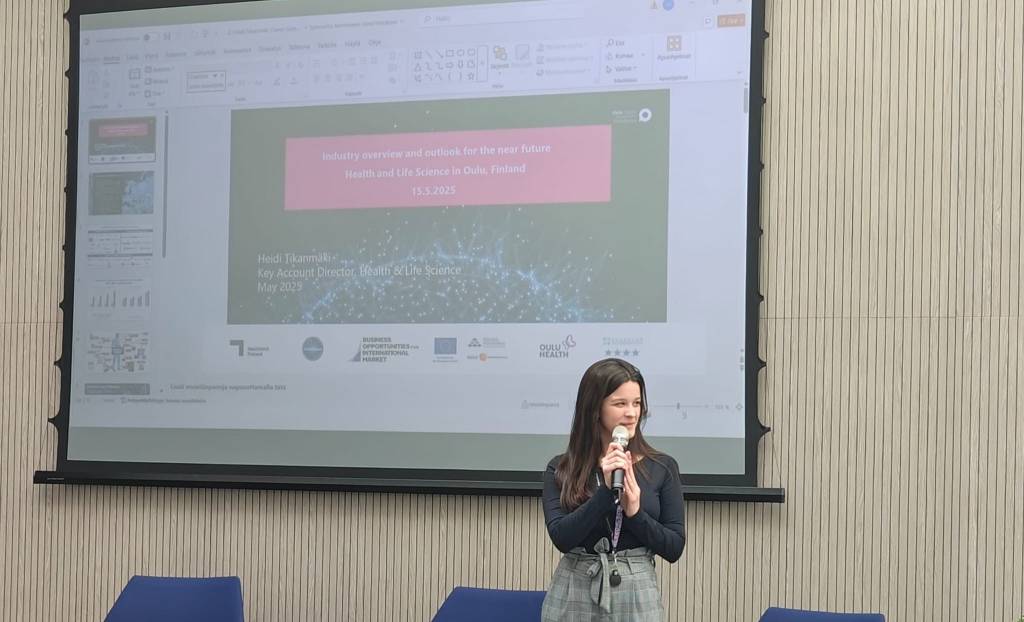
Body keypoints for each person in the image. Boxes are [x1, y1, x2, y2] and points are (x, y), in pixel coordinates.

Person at [541, 358, 686, 621]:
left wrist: (635, 514)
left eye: (637, 403)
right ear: (594, 408)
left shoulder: (662, 467)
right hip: (575, 584)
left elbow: (674, 547)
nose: (632, 413)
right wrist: (606, 493)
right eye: (620, 404)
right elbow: (561, 537)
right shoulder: (560, 468)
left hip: (636, 588)